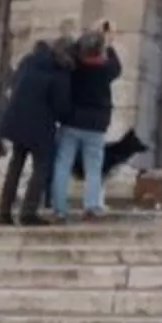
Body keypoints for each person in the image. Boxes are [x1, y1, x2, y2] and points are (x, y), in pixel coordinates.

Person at [0, 37, 70, 227]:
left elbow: (13, 82)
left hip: (16, 120)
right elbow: (61, 106)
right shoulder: (59, 72)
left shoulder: (28, 61)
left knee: (15, 166)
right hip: (40, 126)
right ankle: (28, 212)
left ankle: (4, 212)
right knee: (42, 167)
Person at [53, 23, 124, 221]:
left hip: (72, 121)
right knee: (94, 168)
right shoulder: (105, 69)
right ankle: (92, 207)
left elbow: (74, 49)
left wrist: (88, 32)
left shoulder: (74, 66)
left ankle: (59, 208)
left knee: (62, 165)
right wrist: (108, 41)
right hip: (96, 125)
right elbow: (117, 66)